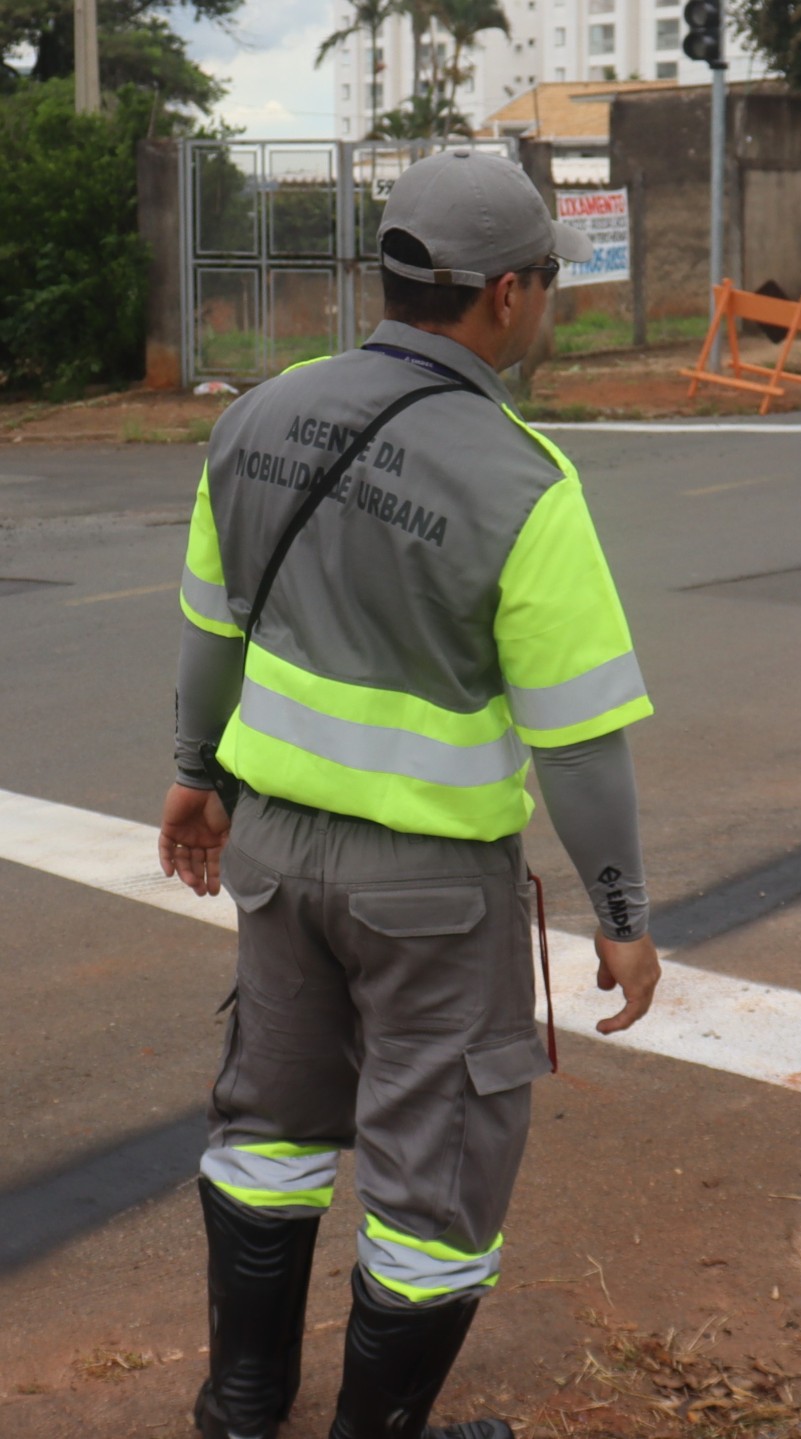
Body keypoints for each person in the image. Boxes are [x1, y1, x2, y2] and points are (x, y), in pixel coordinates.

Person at [159, 149, 662, 1439]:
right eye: (545, 282)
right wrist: (622, 913)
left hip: (271, 856)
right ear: (504, 295)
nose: (546, 302)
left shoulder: (253, 418)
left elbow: (212, 634)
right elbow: (581, 745)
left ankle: (241, 1403)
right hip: (433, 898)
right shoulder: (522, 481)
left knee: (267, 1127)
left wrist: (191, 779)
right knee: (434, 1185)